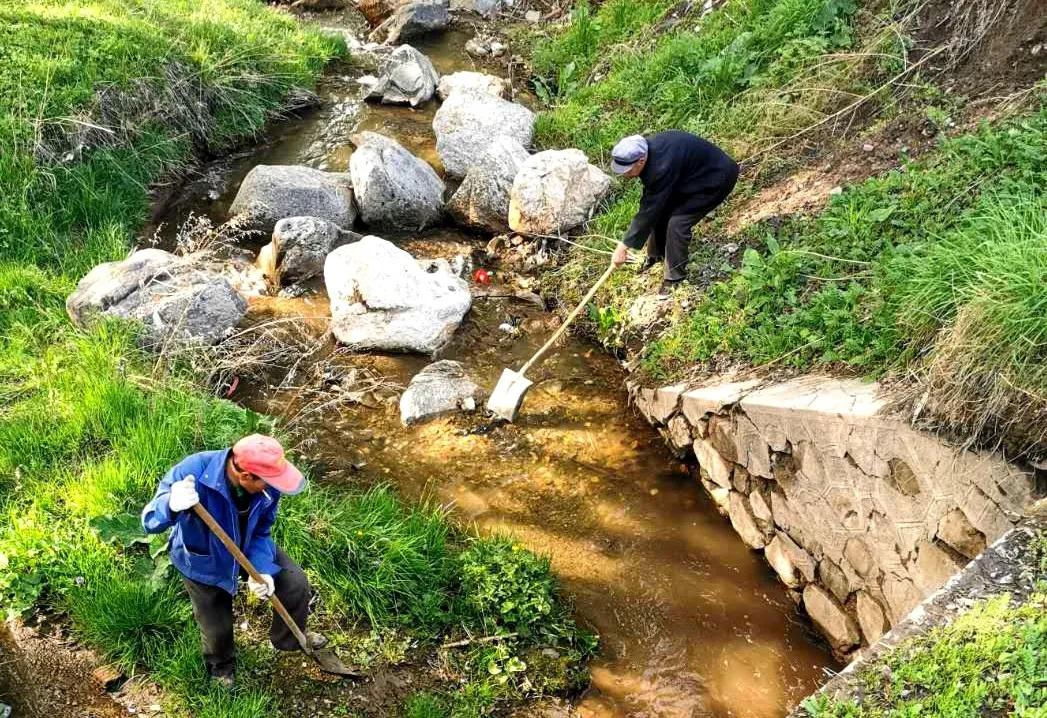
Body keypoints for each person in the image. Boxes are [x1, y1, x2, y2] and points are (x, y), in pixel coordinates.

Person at [141, 434, 323, 687]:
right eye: (269, 482)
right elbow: (149, 521)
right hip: (204, 558)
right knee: (217, 624)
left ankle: (289, 640)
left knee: (295, 584)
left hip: (247, 545)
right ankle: (221, 667)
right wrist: (171, 504)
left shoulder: (268, 487)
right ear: (246, 476)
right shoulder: (193, 470)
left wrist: (263, 570)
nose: (274, 487)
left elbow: (261, 531)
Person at [609, 130, 739, 293]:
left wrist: (623, 247)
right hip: (690, 177)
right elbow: (654, 207)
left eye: (626, 170)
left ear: (641, 161)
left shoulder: (660, 166)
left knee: (677, 223)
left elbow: (648, 210)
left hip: (715, 179)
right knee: (661, 210)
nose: (624, 174)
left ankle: (674, 277)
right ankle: (655, 255)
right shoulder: (647, 151)